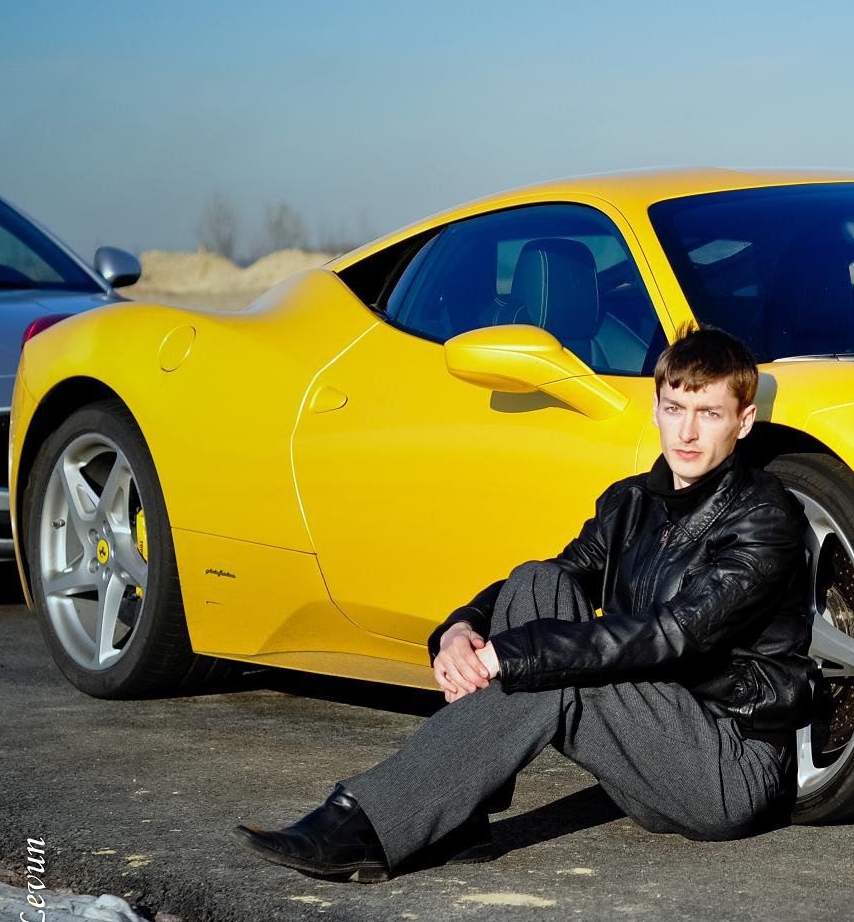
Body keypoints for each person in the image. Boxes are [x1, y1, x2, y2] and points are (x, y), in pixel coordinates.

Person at [237, 326, 816, 882]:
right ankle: (458, 815)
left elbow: (675, 633)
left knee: (556, 674)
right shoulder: (630, 502)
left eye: (708, 414)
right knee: (536, 582)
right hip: (646, 749)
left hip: (726, 765)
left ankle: (369, 821)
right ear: (657, 409)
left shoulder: (763, 517)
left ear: (743, 422)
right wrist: (462, 628)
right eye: (674, 408)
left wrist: (507, 657)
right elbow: (560, 576)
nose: (686, 432)